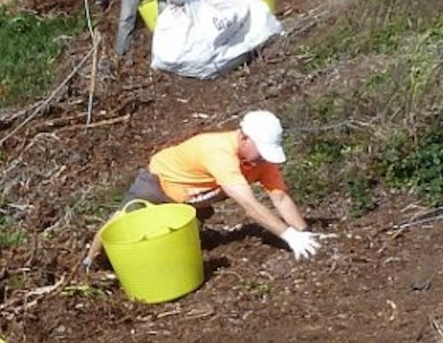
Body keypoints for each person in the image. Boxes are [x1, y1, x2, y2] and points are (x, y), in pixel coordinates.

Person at [84, 110, 322, 268]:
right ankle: (89, 264)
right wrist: (288, 235)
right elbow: (249, 205)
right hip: (159, 184)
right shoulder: (218, 152)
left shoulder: (260, 163)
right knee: (121, 223)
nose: (263, 158)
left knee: (172, 247)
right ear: (244, 137)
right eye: (261, 150)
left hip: (193, 198)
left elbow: (280, 198)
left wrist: (304, 233)